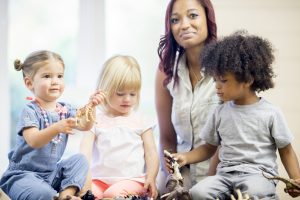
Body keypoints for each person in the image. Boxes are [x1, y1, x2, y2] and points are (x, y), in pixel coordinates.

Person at [168, 31, 300, 199]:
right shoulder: (220, 112)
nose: (216, 86)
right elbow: (209, 148)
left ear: (247, 79)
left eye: (223, 81)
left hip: (259, 175)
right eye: (215, 80)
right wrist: (186, 157)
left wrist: (296, 180)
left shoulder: (271, 113)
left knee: (252, 192)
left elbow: (286, 150)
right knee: (197, 192)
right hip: (225, 176)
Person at [0, 50, 103, 200]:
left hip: (50, 173)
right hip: (22, 176)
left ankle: (65, 196)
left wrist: (92, 106)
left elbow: (84, 125)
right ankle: (50, 195)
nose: (55, 81)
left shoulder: (65, 109)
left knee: (80, 161)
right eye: (47, 76)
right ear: (29, 83)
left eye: (59, 76)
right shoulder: (30, 110)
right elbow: (34, 140)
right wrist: (57, 128)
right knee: (43, 193)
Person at [155, 0, 220, 191]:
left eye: (193, 15)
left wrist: (207, 186)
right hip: (182, 170)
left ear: (208, 19)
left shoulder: (226, 68)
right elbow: (167, 137)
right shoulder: (166, 72)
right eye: (175, 20)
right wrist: (172, 177)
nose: (184, 25)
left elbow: (228, 139)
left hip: (222, 171)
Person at [80, 55, 159, 199]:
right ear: (103, 91)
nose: (127, 99)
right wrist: (86, 183)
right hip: (99, 180)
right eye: (120, 94)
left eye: (133, 94)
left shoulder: (140, 120)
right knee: (89, 194)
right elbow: (84, 154)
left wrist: (151, 177)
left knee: (113, 194)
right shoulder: (95, 120)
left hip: (133, 181)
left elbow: (152, 153)